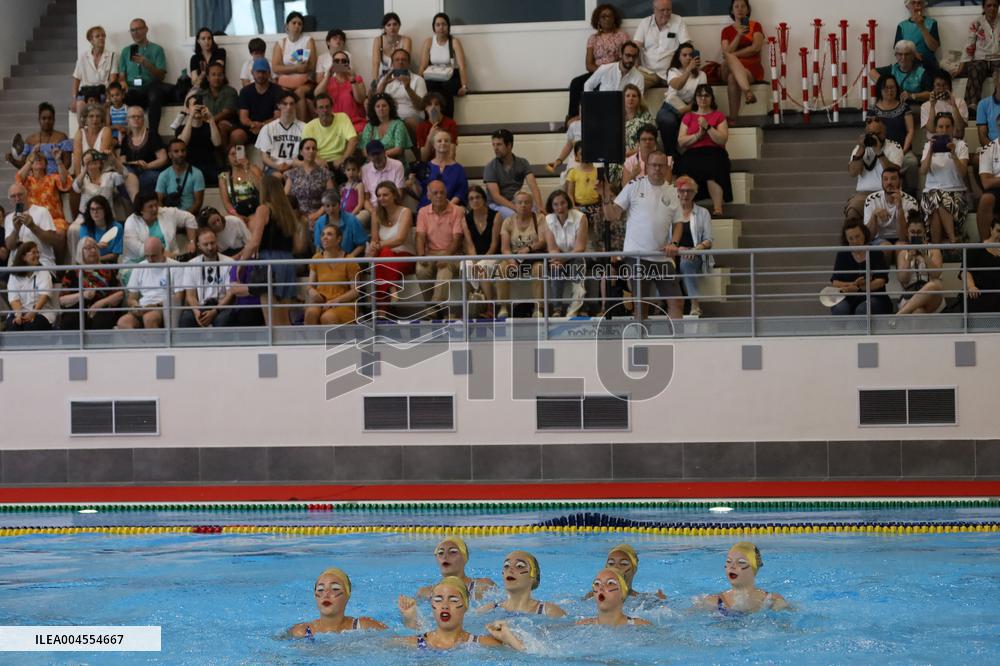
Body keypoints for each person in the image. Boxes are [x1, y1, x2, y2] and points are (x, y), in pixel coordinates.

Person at [602, 151, 683, 319]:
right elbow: (612, 215)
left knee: (676, 302)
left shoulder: (673, 192)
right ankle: (642, 335)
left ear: (667, 167)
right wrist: (605, 197)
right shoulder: (633, 186)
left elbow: (678, 223)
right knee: (641, 304)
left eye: (661, 165)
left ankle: (678, 335)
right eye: (654, 165)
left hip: (663, 256)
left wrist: (674, 243)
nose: (657, 168)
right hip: (636, 256)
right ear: (647, 167)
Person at [239, 175, 308, 326]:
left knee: (271, 321)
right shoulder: (289, 212)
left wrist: (241, 263)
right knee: (285, 319)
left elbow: (254, 242)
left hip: (269, 262)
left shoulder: (263, 209)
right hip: (287, 262)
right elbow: (298, 247)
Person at [399, 578, 524, 651]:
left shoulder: (479, 642)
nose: (445, 605)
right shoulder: (414, 643)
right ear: (432, 605)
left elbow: (524, 653)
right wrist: (410, 620)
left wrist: (509, 638)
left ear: (465, 606)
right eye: (438, 600)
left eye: (453, 600)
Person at [677, 84, 732, 218]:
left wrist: (708, 127)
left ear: (711, 98)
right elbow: (681, 141)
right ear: (695, 98)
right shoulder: (688, 116)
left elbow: (722, 140)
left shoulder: (718, 116)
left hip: (714, 151)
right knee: (685, 165)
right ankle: (686, 208)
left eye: (706, 95)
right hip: (693, 151)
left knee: (714, 166)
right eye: (700, 95)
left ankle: (718, 208)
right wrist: (697, 136)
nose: (703, 98)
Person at [568, 4, 630, 118]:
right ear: (598, 20)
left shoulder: (622, 36)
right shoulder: (593, 38)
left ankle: (594, 118)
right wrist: (601, 72)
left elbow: (626, 58)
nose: (607, 19)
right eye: (603, 16)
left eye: (610, 16)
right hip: (596, 72)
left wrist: (609, 71)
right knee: (576, 83)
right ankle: (572, 118)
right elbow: (588, 64)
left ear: (614, 18)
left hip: (614, 73)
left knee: (599, 88)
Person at [415, 179, 465, 318]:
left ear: (446, 193)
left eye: (442, 192)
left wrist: (446, 256)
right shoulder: (423, 212)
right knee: (421, 269)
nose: (439, 196)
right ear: (428, 195)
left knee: (445, 266)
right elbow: (420, 236)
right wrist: (421, 255)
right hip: (431, 253)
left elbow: (457, 239)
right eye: (435, 193)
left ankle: (435, 306)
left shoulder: (457, 211)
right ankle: (431, 308)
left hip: (453, 254)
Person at [289, 568, 387, 637]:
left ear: (347, 595)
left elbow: (394, 642)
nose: (326, 594)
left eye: (335, 589)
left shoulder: (363, 626)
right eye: (320, 589)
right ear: (315, 596)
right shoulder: (302, 631)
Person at [695, 543, 789, 614]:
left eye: (741, 562)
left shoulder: (772, 601)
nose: (732, 566)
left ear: (754, 567)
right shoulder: (713, 602)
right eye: (728, 561)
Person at [919, 112, 969, 244]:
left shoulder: (961, 145)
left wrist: (954, 155)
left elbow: (963, 173)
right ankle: (951, 242)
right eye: (941, 127)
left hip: (956, 193)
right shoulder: (928, 146)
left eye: (948, 126)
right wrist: (930, 151)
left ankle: (938, 247)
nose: (944, 130)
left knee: (939, 202)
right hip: (931, 192)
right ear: (936, 128)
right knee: (936, 203)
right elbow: (923, 171)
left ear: (953, 128)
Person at [497, 191, 548, 318]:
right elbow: (505, 248)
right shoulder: (508, 221)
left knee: (539, 269)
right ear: (514, 204)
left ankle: (538, 308)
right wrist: (512, 261)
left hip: (533, 257)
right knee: (502, 268)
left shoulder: (540, 218)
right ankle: (503, 307)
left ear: (532, 204)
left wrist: (528, 248)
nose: (523, 205)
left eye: (527, 202)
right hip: (515, 257)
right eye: (520, 202)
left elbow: (542, 241)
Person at [829, 218, 894, 316]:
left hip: (874, 297)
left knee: (862, 309)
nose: (855, 241)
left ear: (864, 234)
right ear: (846, 239)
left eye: (858, 236)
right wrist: (853, 285)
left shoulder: (875, 253)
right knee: (840, 309)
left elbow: (880, 281)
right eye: (851, 238)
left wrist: (859, 288)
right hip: (849, 297)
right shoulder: (842, 254)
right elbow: (835, 282)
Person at [846, 115, 904, 222]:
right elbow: (853, 173)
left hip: (887, 192)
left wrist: (879, 152)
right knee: (852, 210)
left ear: (885, 132)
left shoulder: (894, 147)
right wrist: (861, 149)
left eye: (878, 133)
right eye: (871, 134)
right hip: (863, 194)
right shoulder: (859, 148)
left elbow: (894, 171)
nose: (875, 137)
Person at [116, 237, 184, 329]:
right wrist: (135, 306)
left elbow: (178, 297)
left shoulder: (176, 266)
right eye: (147, 256)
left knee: (149, 318)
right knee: (123, 322)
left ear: (162, 251)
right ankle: (140, 339)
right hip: (143, 306)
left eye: (153, 256)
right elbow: (132, 298)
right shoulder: (140, 267)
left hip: (163, 306)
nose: (150, 259)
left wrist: (155, 306)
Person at [366, 181, 415, 308]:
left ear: (394, 195)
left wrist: (378, 246)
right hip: (385, 258)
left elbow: (400, 240)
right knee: (383, 256)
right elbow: (375, 240)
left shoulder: (405, 211)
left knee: (383, 256)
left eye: (385, 195)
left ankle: (381, 308)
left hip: (405, 256)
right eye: (379, 195)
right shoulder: (376, 213)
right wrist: (373, 247)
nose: (381, 198)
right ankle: (391, 294)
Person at [58, 236, 124, 330]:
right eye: (88, 248)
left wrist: (100, 304)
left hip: (102, 309)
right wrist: (83, 295)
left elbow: (119, 293)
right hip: (78, 309)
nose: (93, 251)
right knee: (71, 320)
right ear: (80, 252)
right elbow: (62, 300)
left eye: (95, 247)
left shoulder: (107, 270)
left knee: (103, 320)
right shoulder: (73, 272)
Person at [479, 551, 566, 618]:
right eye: (506, 565)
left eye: (519, 566)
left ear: (533, 575)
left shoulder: (549, 611)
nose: (510, 570)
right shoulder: (489, 609)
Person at [673, 175, 714, 317]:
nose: (685, 194)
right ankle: (661, 305)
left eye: (689, 191)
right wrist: (678, 249)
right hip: (673, 253)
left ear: (695, 193)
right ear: (676, 192)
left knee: (686, 262)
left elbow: (708, 240)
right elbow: (663, 239)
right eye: (682, 190)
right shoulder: (670, 212)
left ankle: (695, 304)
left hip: (695, 254)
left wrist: (694, 250)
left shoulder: (703, 213)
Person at [178, 228, 235, 328]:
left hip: (221, 306)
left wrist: (215, 311)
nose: (210, 247)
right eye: (205, 244)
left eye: (212, 243)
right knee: (186, 319)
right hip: (200, 306)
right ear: (198, 245)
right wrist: (197, 312)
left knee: (224, 320)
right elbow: (190, 295)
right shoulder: (191, 264)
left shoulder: (229, 262)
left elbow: (230, 294)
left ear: (217, 241)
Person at [305, 225, 361, 326]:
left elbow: (355, 291)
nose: (324, 237)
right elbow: (310, 286)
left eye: (329, 234)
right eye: (323, 234)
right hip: (322, 301)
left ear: (338, 239)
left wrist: (336, 301)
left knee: (327, 317)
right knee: (310, 313)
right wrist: (313, 292)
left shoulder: (349, 260)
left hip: (343, 303)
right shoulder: (317, 258)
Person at [658, 43, 707, 160]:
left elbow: (702, 97)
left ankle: (690, 158)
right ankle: (671, 157)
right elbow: (677, 85)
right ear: (678, 57)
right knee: (668, 121)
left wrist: (686, 109)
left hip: (691, 108)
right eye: (684, 55)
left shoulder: (701, 75)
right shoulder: (673, 71)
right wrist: (689, 69)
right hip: (670, 107)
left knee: (696, 124)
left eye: (691, 55)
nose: (688, 57)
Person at [120, 18, 168, 135]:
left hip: (150, 88)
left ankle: (153, 134)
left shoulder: (157, 49)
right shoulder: (126, 51)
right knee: (126, 97)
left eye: (138, 29)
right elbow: (121, 76)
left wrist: (146, 64)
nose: (135, 33)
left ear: (146, 29)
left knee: (155, 95)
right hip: (132, 90)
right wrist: (123, 82)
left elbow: (161, 76)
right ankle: (131, 136)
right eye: (132, 30)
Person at [544, 189, 587, 317]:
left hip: (577, 255)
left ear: (568, 203)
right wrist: (558, 259)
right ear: (551, 206)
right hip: (558, 256)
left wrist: (563, 259)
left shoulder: (580, 217)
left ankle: (575, 307)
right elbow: (552, 248)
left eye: (562, 203)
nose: (560, 207)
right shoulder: (548, 219)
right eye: (555, 204)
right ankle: (557, 309)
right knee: (556, 268)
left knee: (577, 263)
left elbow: (580, 248)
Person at [871, 76, 917, 194]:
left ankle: (912, 193)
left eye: (892, 87)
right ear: (880, 90)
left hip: (903, 150)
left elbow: (910, 130)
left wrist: (903, 151)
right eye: (886, 88)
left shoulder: (904, 107)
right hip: (882, 151)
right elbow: (870, 132)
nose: (889, 91)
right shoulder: (873, 110)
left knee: (912, 162)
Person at [419, 13, 469, 119]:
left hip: (449, 77)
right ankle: (432, 120)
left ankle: (447, 121)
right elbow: (423, 66)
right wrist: (417, 82)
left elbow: (462, 66)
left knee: (446, 88)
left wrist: (464, 86)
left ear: (448, 27)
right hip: (433, 76)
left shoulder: (454, 42)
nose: (441, 27)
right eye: (438, 25)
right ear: (434, 28)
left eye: (444, 24)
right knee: (429, 87)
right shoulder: (429, 42)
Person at [483, 129, 544, 218]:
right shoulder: (490, 167)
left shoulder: (522, 163)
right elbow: (496, 197)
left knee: (538, 215)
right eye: (493, 145)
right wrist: (516, 208)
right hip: (496, 205)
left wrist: (539, 206)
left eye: (499, 144)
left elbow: (534, 186)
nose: (495, 148)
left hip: (516, 201)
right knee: (516, 216)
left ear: (509, 145)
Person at [721, 0, 764, 123]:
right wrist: (739, 35)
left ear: (748, 9)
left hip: (750, 67)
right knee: (729, 58)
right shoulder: (726, 31)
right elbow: (725, 54)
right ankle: (747, 91)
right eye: (736, 6)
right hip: (728, 67)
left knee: (732, 77)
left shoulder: (755, 26)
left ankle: (733, 118)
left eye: (743, 6)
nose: (740, 9)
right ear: (732, 10)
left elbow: (756, 48)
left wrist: (733, 55)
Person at [123, 192, 197, 262]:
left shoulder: (167, 213)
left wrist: (192, 242)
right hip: (139, 262)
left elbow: (189, 218)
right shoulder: (131, 222)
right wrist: (161, 253)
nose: (155, 209)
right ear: (141, 210)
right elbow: (138, 250)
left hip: (170, 259)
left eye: (156, 205)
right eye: (150, 206)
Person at [461, 186, 501, 317]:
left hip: (493, 254)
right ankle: (468, 306)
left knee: (481, 267)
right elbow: (470, 245)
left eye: (478, 197)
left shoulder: (496, 216)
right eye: (471, 199)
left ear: (484, 199)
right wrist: (474, 260)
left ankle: (490, 307)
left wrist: (481, 261)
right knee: (465, 265)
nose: (475, 201)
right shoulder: (465, 219)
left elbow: (494, 244)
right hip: (475, 255)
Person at [416, 536, 497, 600]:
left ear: (464, 558)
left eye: (452, 552)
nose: (445, 556)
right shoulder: (426, 593)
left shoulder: (482, 587)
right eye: (440, 553)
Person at [271, 11, 316, 120]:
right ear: (287, 25)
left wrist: (287, 69)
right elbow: (275, 68)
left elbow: (311, 65)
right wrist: (296, 68)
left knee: (299, 92)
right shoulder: (280, 43)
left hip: (305, 82)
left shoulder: (308, 41)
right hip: (284, 83)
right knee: (282, 94)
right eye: (294, 23)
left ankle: (301, 126)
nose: (297, 26)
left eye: (300, 24)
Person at [15, 149, 71, 236]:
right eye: (35, 159)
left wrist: (58, 161)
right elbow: (19, 177)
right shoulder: (27, 181)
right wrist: (30, 160)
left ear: (45, 165)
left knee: (60, 234)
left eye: (41, 159)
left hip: (54, 220)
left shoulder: (53, 178)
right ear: (30, 165)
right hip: (32, 220)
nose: (38, 160)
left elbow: (65, 181)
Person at [633, 0, 690, 85]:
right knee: (634, 85)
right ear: (654, 10)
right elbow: (635, 48)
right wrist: (635, 69)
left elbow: (686, 46)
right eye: (662, 10)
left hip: (671, 72)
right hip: (648, 72)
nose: (666, 13)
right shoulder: (645, 23)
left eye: (669, 9)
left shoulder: (678, 21)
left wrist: (686, 69)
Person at [896, 215, 945, 315]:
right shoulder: (903, 253)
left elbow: (936, 275)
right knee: (918, 312)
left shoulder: (934, 250)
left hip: (932, 296)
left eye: (919, 232)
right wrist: (908, 260)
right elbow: (903, 279)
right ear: (907, 233)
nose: (915, 235)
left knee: (932, 285)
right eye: (912, 232)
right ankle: (900, 315)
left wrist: (925, 256)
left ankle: (899, 315)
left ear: (924, 232)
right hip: (909, 295)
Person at [5, 183, 60, 267]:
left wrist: (32, 226)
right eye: (13, 196)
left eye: (20, 195)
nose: (17, 199)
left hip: (42, 260)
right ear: (10, 200)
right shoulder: (9, 218)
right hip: (18, 263)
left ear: (26, 195)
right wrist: (16, 230)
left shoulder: (42, 211)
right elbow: (10, 246)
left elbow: (52, 240)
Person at [6, 102, 72, 173]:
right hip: (35, 178)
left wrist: (53, 177)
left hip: (57, 177)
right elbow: (23, 165)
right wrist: (12, 160)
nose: (47, 121)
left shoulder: (62, 138)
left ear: (54, 120)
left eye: (50, 118)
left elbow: (67, 164)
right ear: (39, 120)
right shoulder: (30, 140)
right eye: (44, 118)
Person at [4, 242, 56, 331]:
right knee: (13, 325)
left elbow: (44, 296)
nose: (37, 255)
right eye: (33, 253)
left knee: (31, 325)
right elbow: (14, 299)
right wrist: (19, 315)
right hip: (19, 312)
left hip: (41, 313)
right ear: (23, 257)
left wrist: (33, 313)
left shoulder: (44, 272)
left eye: (38, 252)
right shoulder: (14, 275)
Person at [863, 166, 919, 248]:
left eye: (893, 179)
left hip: (901, 239)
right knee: (885, 246)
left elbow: (904, 236)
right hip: (879, 238)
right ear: (882, 182)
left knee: (900, 246)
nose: (889, 182)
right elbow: (868, 236)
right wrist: (874, 215)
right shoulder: (871, 199)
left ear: (900, 181)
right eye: (885, 179)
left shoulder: (911, 201)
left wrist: (900, 208)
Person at [175, 92, 223, 187]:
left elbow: (217, 143)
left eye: (200, 104)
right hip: (189, 167)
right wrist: (190, 116)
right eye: (194, 105)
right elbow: (183, 143)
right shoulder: (180, 129)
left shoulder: (211, 126)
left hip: (209, 166)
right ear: (188, 109)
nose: (198, 107)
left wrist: (211, 119)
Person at [960, 0, 1000, 112]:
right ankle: (972, 106)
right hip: (981, 58)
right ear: (983, 7)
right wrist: (960, 68)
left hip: (998, 58)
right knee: (974, 69)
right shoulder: (976, 23)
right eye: (989, 5)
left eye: (995, 5)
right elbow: (969, 45)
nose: (992, 8)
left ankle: (997, 106)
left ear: (998, 6)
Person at [256, 90, 305, 181]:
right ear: (279, 105)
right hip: (273, 166)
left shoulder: (304, 127)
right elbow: (264, 156)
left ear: (295, 105)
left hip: (295, 166)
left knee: (290, 176)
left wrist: (292, 165)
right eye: (285, 104)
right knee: (277, 176)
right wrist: (277, 166)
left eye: (291, 104)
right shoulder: (268, 128)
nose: (288, 107)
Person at [410, 129, 467, 208]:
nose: (443, 143)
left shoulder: (459, 169)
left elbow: (460, 193)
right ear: (434, 145)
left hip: (450, 208)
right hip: (427, 209)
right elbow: (421, 193)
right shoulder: (425, 167)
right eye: (439, 141)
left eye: (446, 141)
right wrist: (413, 182)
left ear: (450, 144)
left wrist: (447, 207)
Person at [375, 49, 427, 134]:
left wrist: (408, 88)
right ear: (392, 64)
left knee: (410, 122)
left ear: (408, 63)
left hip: (411, 117)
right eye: (397, 60)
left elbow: (421, 106)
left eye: (403, 60)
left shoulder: (418, 80)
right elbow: (375, 102)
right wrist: (383, 84)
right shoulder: (385, 80)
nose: (400, 62)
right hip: (389, 116)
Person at [284, 137, 335, 225]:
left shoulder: (325, 173)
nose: (311, 151)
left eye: (314, 149)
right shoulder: (293, 173)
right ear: (301, 152)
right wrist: (296, 215)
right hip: (297, 217)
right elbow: (285, 197)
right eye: (307, 148)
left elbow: (331, 197)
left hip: (320, 216)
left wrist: (318, 214)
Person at [302, 93, 359, 171]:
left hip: (341, 162)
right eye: (321, 107)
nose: (325, 110)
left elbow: (353, 140)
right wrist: (317, 159)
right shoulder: (309, 126)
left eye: (327, 106)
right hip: (319, 164)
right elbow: (306, 149)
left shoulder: (343, 117)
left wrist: (343, 159)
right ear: (316, 110)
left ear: (332, 107)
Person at [120, 105, 168, 195]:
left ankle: (138, 200)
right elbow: (122, 161)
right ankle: (136, 200)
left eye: (139, 116)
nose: (136, 119)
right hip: (131, 172)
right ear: (127, 120)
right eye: (133, 116)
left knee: (152, 178)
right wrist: (135, 163)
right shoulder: (125, 139)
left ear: (143, 119)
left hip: (150, 171)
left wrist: (147, 166)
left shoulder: (152, 135)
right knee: (124, 177)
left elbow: (163, 158)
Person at [577, 569, 651, 627]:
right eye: (597, 583)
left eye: (610, 583)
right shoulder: (581, 626)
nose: (601, 588)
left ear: (623, 592)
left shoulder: (641, 626)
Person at [71, 25, 118, 114]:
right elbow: (76, 79)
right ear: (91, 40)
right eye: (97, 36)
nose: (101, 38)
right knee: (79, 104)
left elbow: (113, 80)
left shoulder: (112, 56)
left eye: (103, 35)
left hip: (103, 93)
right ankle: (82, 124)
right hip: (86, 92)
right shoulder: (83, 56)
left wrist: (109, 98)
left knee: (105, 105)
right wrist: (74, 99)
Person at [317, 49, 366, 133]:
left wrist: (352, 81)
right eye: (337, 61)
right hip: (334, 124)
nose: (340, 63)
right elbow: (317, 95)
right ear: (332, 64)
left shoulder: (357, 79)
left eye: (343, 61)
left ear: (348, 64)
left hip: (354, 123)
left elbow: (360, 99)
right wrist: (328, 75)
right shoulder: (328, 81)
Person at [871, 40, 933, 106]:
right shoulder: (892, 69)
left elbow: (930, 94)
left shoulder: (921, 72)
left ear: (913, 55)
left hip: (913, 106)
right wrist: (885, 85)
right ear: (896, 55)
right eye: (900, 54)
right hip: (894, 105)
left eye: (907, 54)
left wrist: (911, 95)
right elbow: (872, 72)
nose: (903, 58)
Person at [616, 88, 656, 187]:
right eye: (628, 96)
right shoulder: (616, 117)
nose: (631, 98)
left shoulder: (645, 116)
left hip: (640, 153)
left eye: (634, 96)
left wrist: (631, 153)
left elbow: (650, 138)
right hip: (619, 155)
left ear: (639, 99)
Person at [155, 139, 205, 216]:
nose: (180, 154)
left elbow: (198, 203)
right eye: (176, 151)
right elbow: (159, 201)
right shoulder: (163, 175)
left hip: (190, 217)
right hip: (169, 217)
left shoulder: (197, 173)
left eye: (183, 151)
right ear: (169, 154)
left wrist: (183, 217)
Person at [312, 189, 367, 256]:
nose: (331, 209)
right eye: (327, 206)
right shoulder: (319, 223)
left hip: (348, 258)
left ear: (339, 204)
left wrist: (348, 258)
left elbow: (362, 245)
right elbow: (318, 247)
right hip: (327, 259)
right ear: (323, 207)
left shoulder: (352, 220)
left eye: (333, 205)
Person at [360, 93, 413, 161]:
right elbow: (364, 150)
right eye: (378, 106)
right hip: (372, 163)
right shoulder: (369, 126)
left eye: (384, 106)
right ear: (374, 109)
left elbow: (398, 150)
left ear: (390, 108)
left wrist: (377, 156)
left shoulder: (398, 124)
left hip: (394, 163)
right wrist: (374, 158)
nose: (381, 108)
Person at [361, 140, 405, 223]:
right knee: (359, 219)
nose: (376, 157)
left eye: (378, 154)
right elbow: (366, 199)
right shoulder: (365, 169)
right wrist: (373, 211)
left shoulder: (397, 165)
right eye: (373, 155)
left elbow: (399, 194)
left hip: (392, 206)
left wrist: (387, 209)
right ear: (368, 156)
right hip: (373, 208)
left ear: (384, 152)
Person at [239, 59, 282, 144]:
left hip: (271, 128)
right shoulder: (245, 91)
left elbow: (277, 117)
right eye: (258, 72)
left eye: (264, 72)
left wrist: (262, 125)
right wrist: (253, 124)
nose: (260, 75)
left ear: (269, 73)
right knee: (237, 135)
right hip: (250, 128)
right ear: (252, 73)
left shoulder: (277, 91)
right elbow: (243, 118)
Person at [219, 144, 263, 222]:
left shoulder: (253, 169)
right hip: (237, 212)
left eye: (238, 153)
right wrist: (236, 215)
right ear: (227, 159)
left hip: (256, 210)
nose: (236, 156)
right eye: (233, 154)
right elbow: (226, 202)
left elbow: (262, 189)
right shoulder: (223, 177)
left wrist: (247, 167)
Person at [201, 62, 240, 148]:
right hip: (209, 123)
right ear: (207, 77)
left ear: (224, 76)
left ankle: (224, 153)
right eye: (213, 75)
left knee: (221, 125)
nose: (216, 78)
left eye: (220, 75)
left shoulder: (230, 91)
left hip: (229, 124)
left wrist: (209, 122)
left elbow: (226, 112)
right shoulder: (203, 93)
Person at [76, 194, 124, 263]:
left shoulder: (117, 227)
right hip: (89, 263)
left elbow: (114, 255)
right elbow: (85, 252)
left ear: (106, 210)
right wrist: (97, 246)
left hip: (108, 263)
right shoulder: (84, 227)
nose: (95, 212)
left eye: (98, 208)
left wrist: (97, 259)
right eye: (92, 209)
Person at [965, 217, 1000, 312]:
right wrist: (971, 287)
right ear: (991, 230)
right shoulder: (976, 249)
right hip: (980, 294)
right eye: (998, 231)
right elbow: (965, 272)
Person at [895, 0, 940, 73]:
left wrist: (922, 26)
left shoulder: (932, 23)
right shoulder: (902, 26)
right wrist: (914, 53)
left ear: (923, 5)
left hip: (928, 65)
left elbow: (934, 48)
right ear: (907, 6)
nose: (917, 5)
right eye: (913, 3)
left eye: (919, 3)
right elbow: (898, 49)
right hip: (908, 66)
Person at [920, 71, 967, 139]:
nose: (942, 88)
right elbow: (931, 129)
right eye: (938, 85)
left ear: (950, 87)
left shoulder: (960, 102)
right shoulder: (925, 106)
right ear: (933, 87)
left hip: (956, 141)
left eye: (945, 85)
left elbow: (960, 128)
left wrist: (954, 105)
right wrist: (932, 106)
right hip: (934, 142)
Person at [371, 12, 413, 85]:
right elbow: (375, 65)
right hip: (384, 76)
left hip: (402, 74)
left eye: (395, 24)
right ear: (384, 27)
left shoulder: (406, 40)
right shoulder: (378, 40)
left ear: (399, 26)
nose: (392, 28)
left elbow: (405, 62)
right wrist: (375, 83)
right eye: (389, 25)